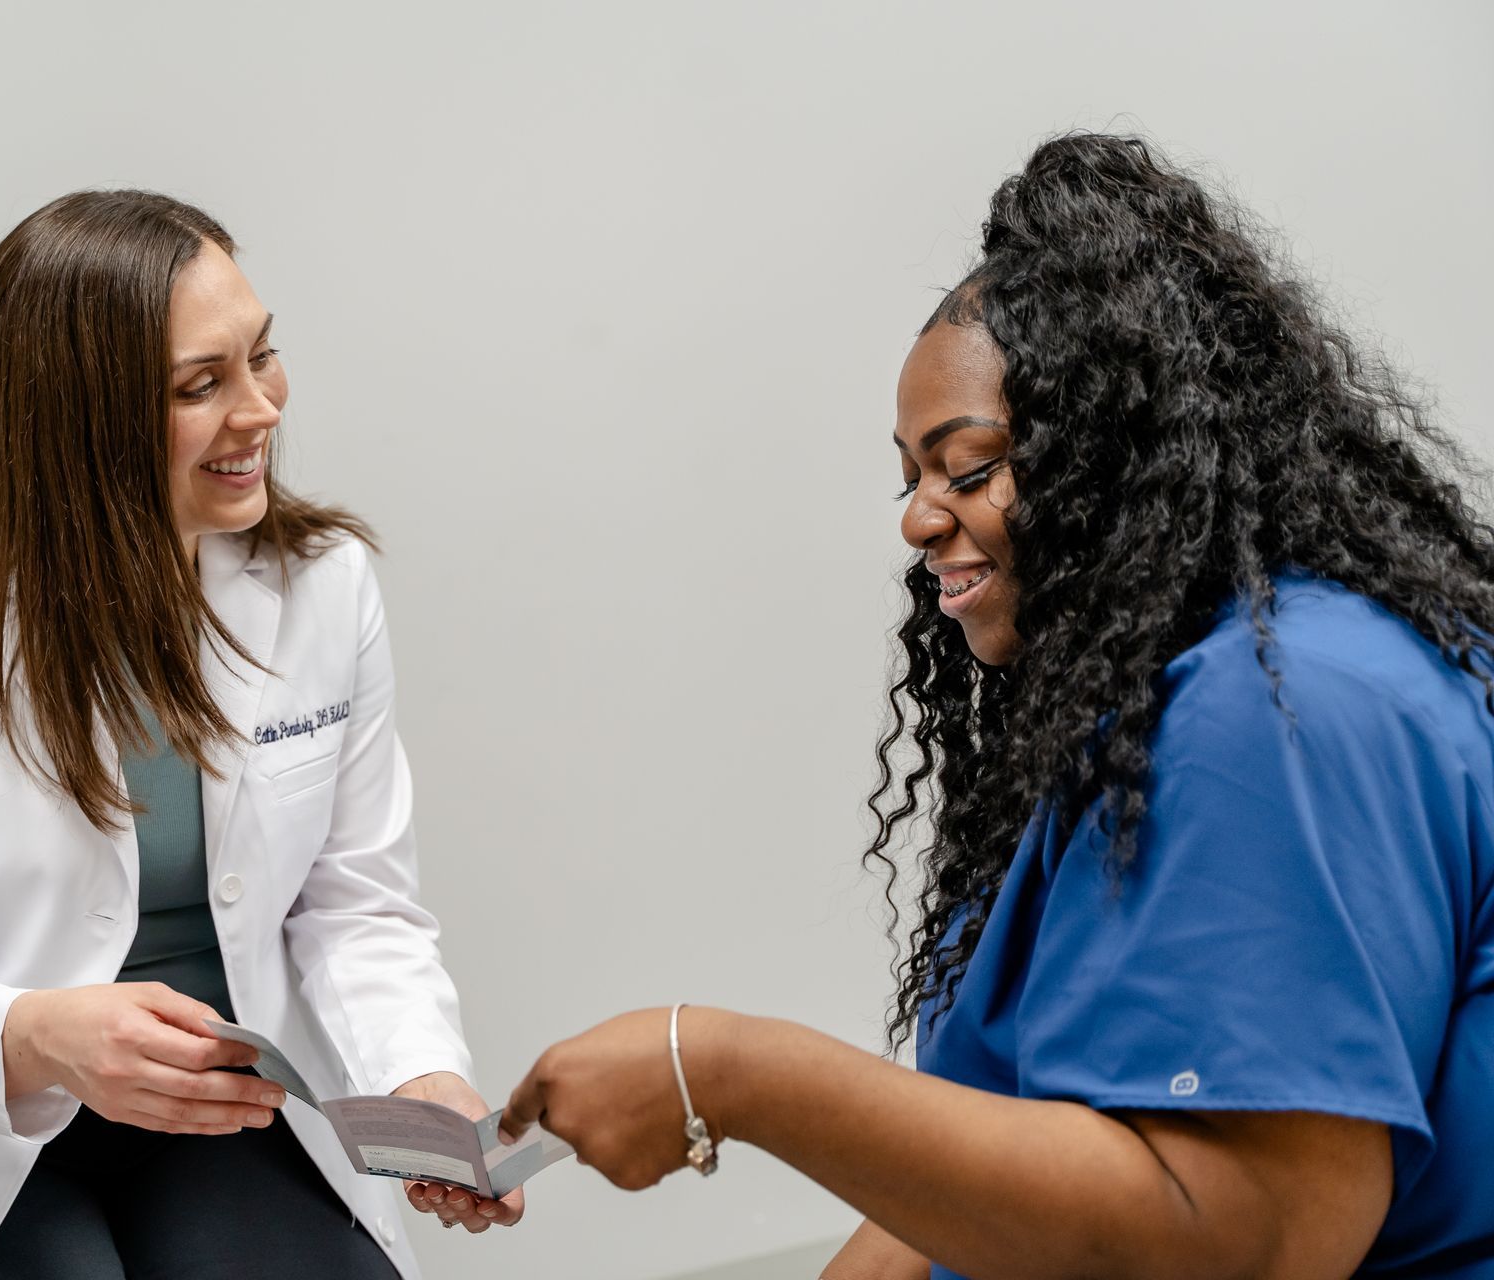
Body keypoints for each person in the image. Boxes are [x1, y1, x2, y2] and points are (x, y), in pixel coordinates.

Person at [499, 133, 1494, 1279]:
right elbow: (999, 1141)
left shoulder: (1277, 705)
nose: (920, 518)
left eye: (966, 469)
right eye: (910, 475)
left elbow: (1244, 1237)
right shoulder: (1168, 698)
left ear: (1115, 458)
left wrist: (725, 1070)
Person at [0, 190, 521, 1279]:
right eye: (203, 385)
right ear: (82, 416)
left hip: (219, 1113)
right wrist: (42, 1033)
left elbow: (358, 907)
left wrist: (421, 1077)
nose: (261, 409)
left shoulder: (320, 585)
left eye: (263, 356)